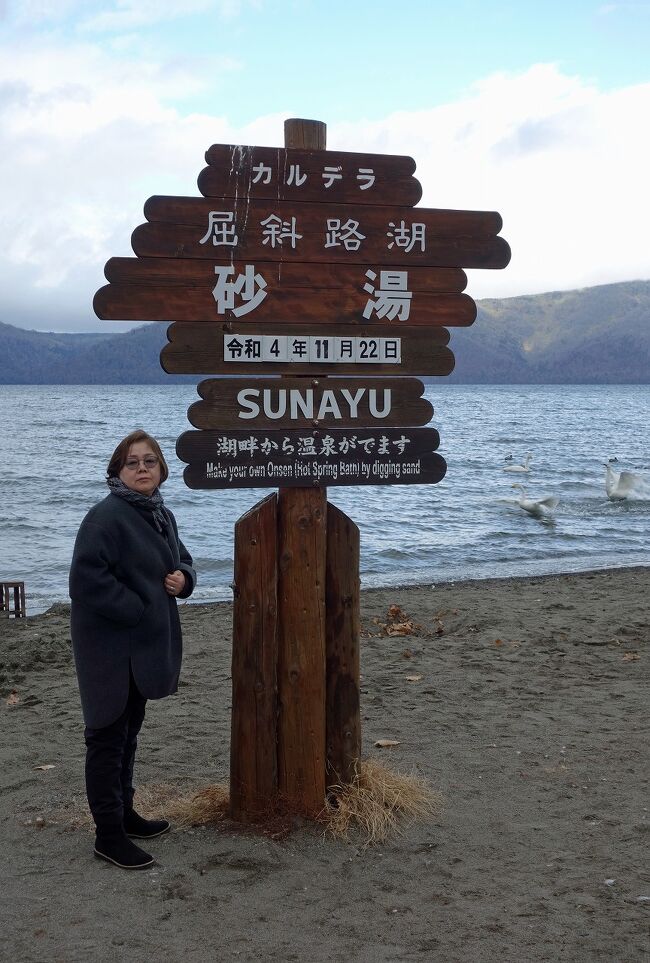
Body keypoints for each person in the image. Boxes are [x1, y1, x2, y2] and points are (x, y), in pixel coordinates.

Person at [69, 429, 196, 870]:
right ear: (117, 472)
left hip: (139, 648)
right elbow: (86, 580)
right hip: (108, 647)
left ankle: (124, 814)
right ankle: (108, 835)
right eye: (132, 462)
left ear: (161, 469)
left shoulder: (159, 513)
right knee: (106, 735)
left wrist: (184, 579)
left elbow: (181, 559)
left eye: (149, 461)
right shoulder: (106, 516)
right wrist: (138, 608)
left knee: (128, 732)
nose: (142, 469)